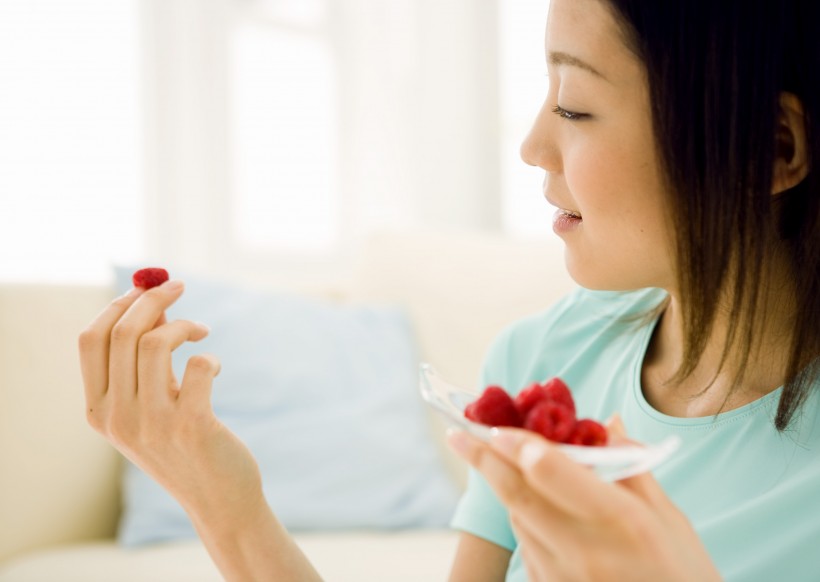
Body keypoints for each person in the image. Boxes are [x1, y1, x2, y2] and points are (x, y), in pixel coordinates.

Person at [78, 0, 820, 580]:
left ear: (771, 148)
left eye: (573, 106)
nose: (532, 145)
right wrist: (219, 498)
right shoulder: (546, 354)